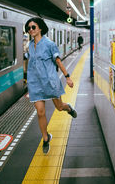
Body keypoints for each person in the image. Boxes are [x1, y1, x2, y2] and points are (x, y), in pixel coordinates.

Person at [24, 17, 77, 154]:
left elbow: (58, 61)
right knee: (40, 112)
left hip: (49, 81)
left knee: (59, 107)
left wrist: (67, 77)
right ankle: (46, 138)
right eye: (28, 28)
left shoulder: (49, 44)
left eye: (33, 27)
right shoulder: (30, 45)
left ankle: (68, 107)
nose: (30, 30)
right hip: (35, 82)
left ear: (40, 28)